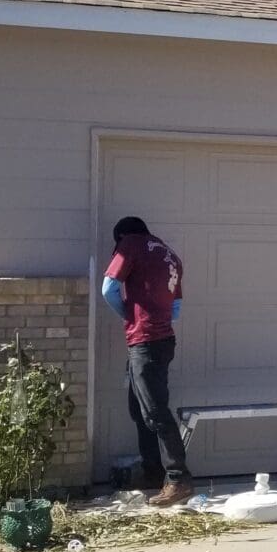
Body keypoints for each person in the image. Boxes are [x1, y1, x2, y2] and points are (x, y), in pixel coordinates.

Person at [101, 216, 195, 506]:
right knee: (139, 409)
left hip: (145, 341)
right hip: (162, 340)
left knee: (155, 412)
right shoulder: (169, 254)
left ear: (121, 237)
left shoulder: (129, 245)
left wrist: (131, 317)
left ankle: (178, 479)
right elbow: (176, 307)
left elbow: (109, 289)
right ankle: (154, 472)